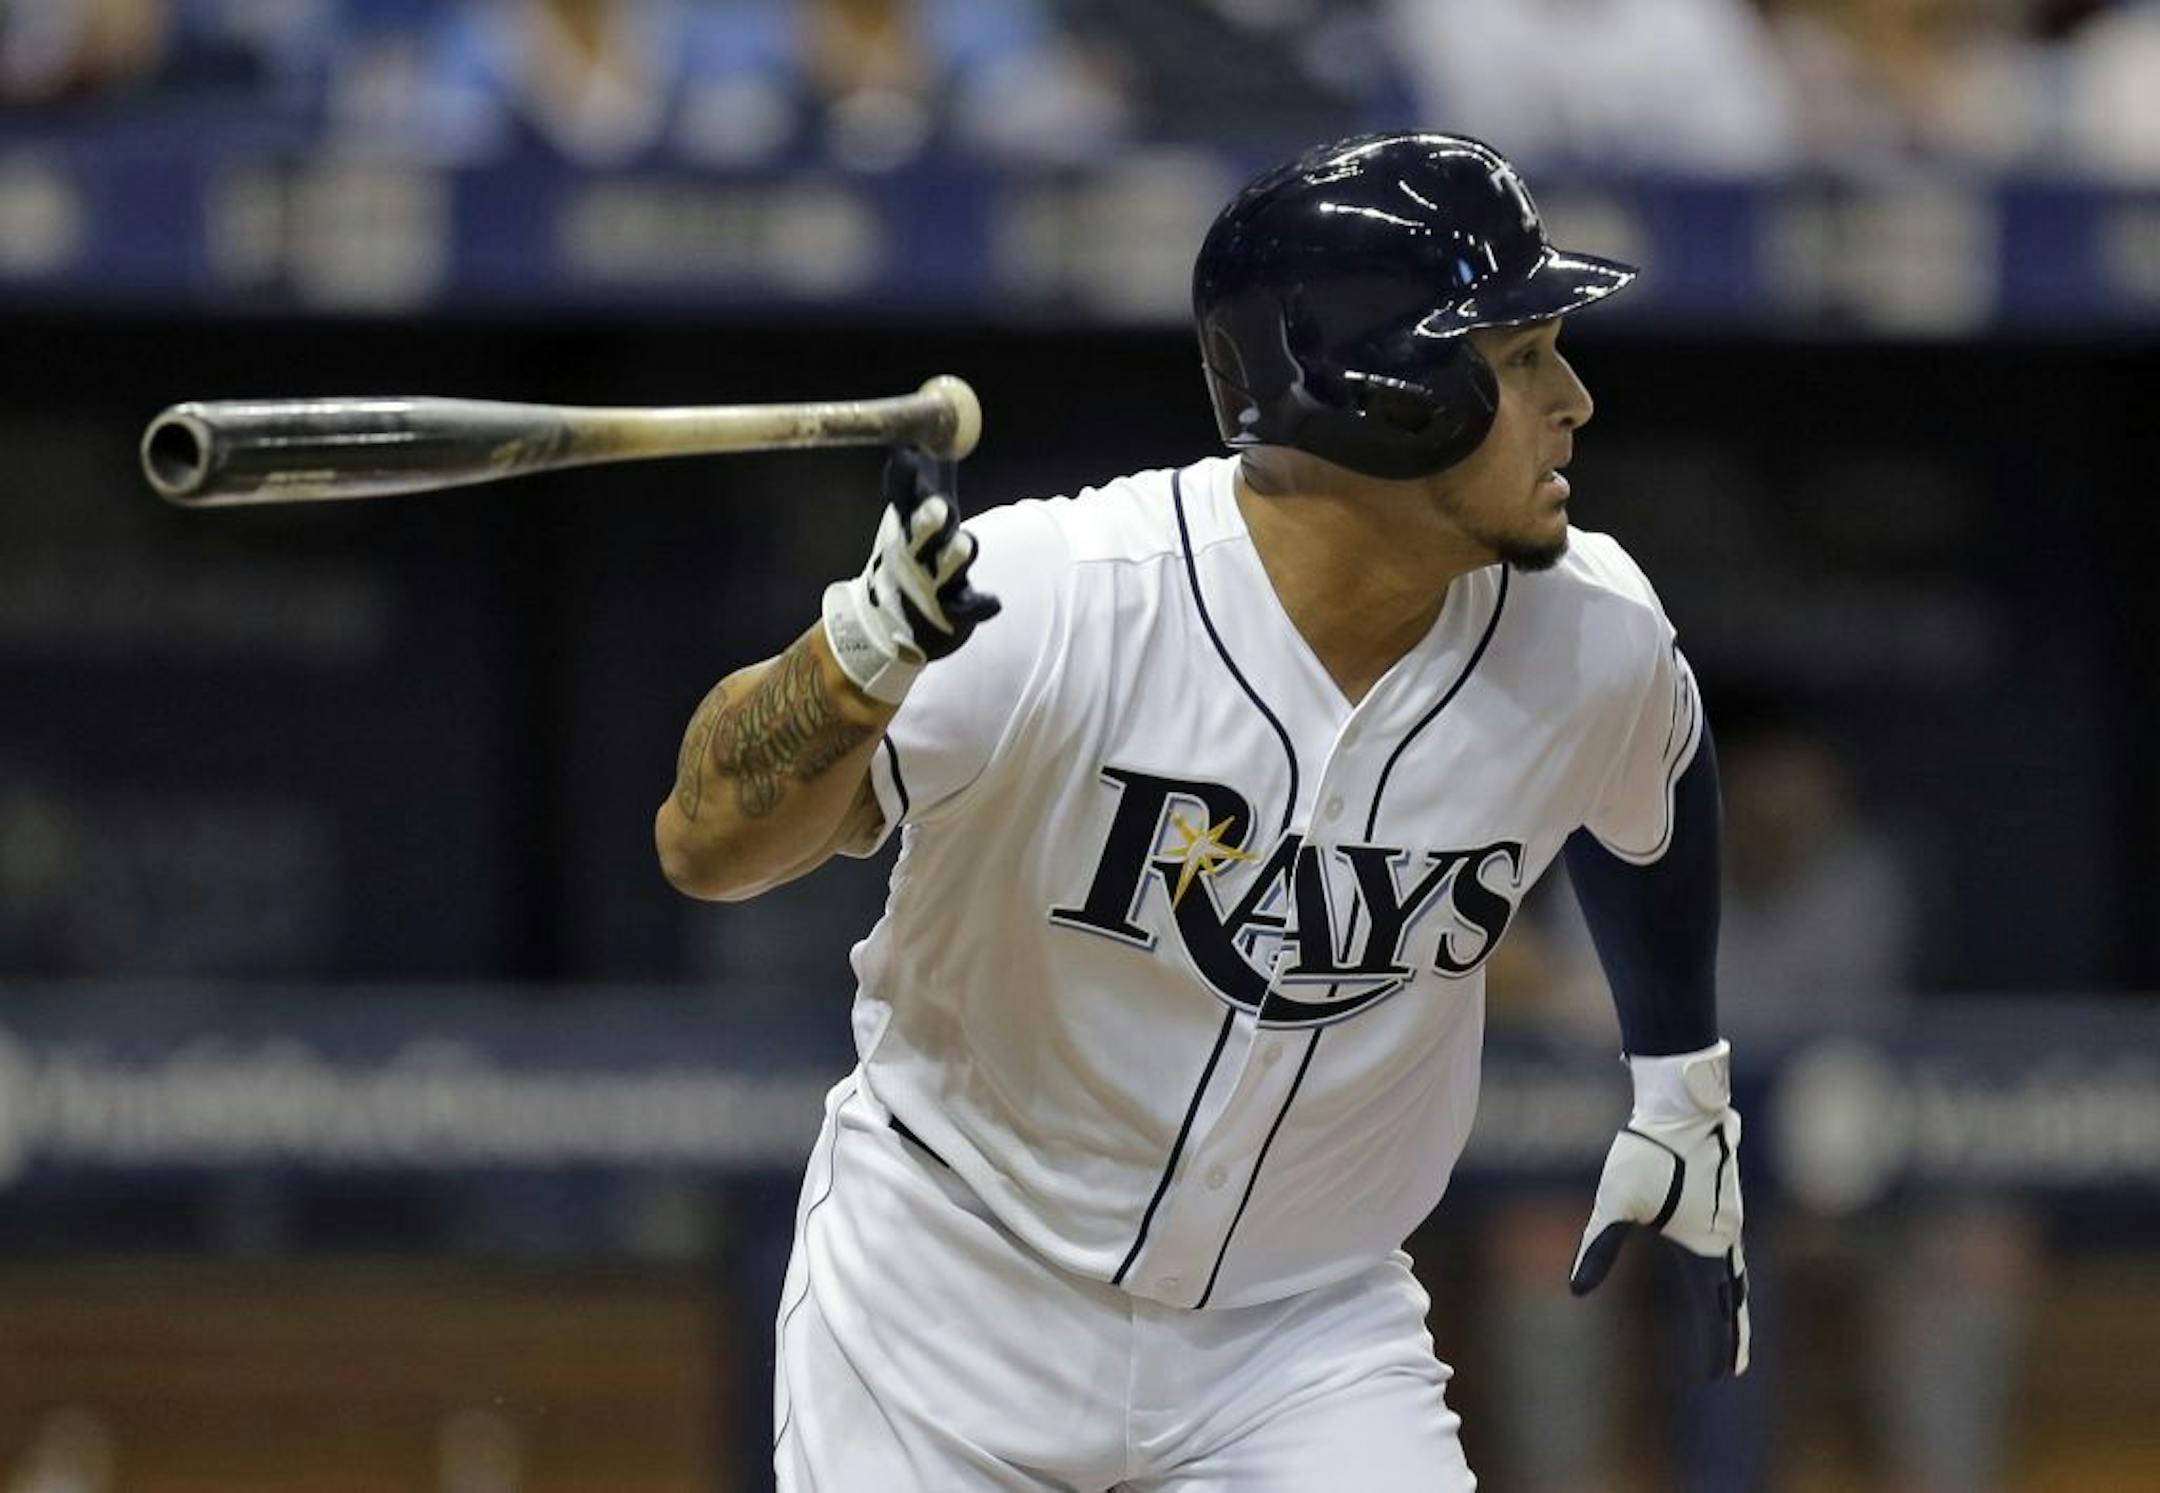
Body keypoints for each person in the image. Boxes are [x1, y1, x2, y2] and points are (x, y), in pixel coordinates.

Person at [656, 132, 1751, 1491]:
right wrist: (856, 653)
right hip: (953, 1285)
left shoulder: (1591, 635)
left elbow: (1667, 769)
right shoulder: (1060, 599)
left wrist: (1681, 1081)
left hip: (1303, 1334)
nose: (1573, 398)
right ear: (1381, 391)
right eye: (1521, 357)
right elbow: (703, 841)